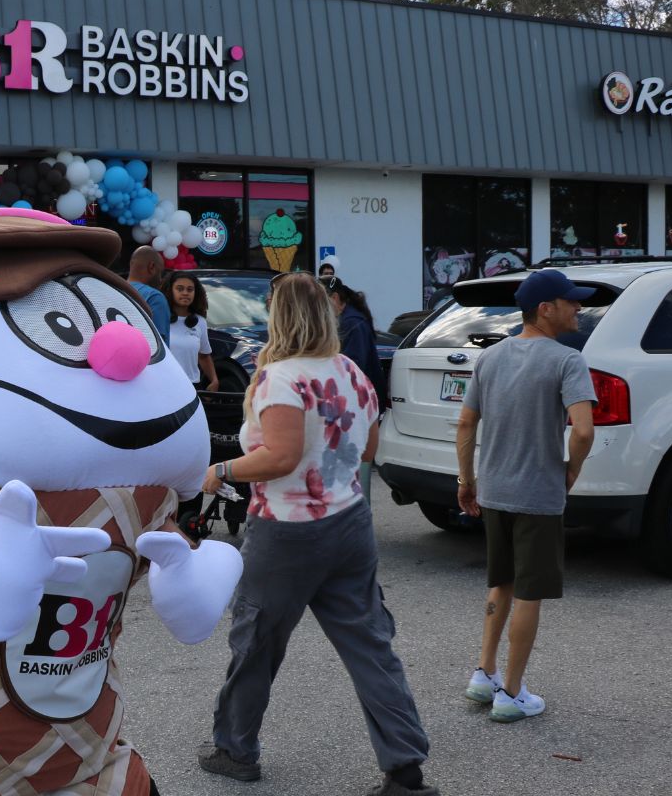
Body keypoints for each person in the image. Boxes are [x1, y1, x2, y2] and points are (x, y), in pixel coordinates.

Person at [197, 272, 438, 796]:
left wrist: (222, 471)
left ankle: (237, 750)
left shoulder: (277, 378)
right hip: (349, 522)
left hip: (287, 531)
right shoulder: (351, 371)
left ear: (278, 316)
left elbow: (279, 459)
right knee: (370, 645)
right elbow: (369, 449)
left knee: (257, 639)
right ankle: (405, 768)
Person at [455, 268, 596, 723]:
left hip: (494, 489)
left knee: (502, 582)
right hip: (537, 493)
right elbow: (584, 431)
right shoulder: (566, 360)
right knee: (530, 592)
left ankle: (485, 672)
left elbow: (465, 424)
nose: (579, 308)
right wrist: (570, 471)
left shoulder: (491, 358)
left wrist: (465, 481)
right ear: (545, 309)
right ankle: (512, 694)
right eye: (571, 301)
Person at [322, 274, 388, 407]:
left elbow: (352, 368)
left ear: (334, 298)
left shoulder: (352, 323)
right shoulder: (344, 319)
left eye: (320, 301)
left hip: (363, 401)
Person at [162, 271, 219, 391]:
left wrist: (214, 380)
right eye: (180, 289)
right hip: (164, 385)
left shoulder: (200, 322)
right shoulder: (160, 319)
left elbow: (204, 356)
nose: (185, 293)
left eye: (190, 289)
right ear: (170, 291)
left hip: (192, 386)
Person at [127, 245, 170, 343]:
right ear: (152, 267)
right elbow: (159, 346)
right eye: (160, 273)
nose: (160, 279)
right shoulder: (154, 297)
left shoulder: (113, 289)